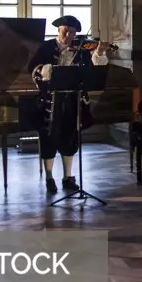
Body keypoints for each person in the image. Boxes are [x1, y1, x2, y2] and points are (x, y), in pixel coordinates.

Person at [28, 15, 111, 195]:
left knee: (71, 137)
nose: (69, 35)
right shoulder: (47, 47)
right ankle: (50, 177)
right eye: (66, 31)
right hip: (51, 100)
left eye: (73, 32)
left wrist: (99, 53)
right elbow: (33, 68)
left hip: (74, 101)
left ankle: (68, 177)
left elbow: (94, 69)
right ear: (59, 30)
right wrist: (45, 71)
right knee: (50, 137)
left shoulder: (80, 49)